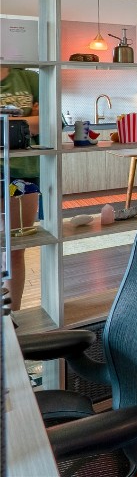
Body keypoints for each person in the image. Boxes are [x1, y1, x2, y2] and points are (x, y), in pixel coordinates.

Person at [0, 66, 39, 312]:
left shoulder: (30, 77)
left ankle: (13, 321)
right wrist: (24, 121)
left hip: (23, 172)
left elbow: (46, 123)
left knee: (15, 249)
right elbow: (32, 124)